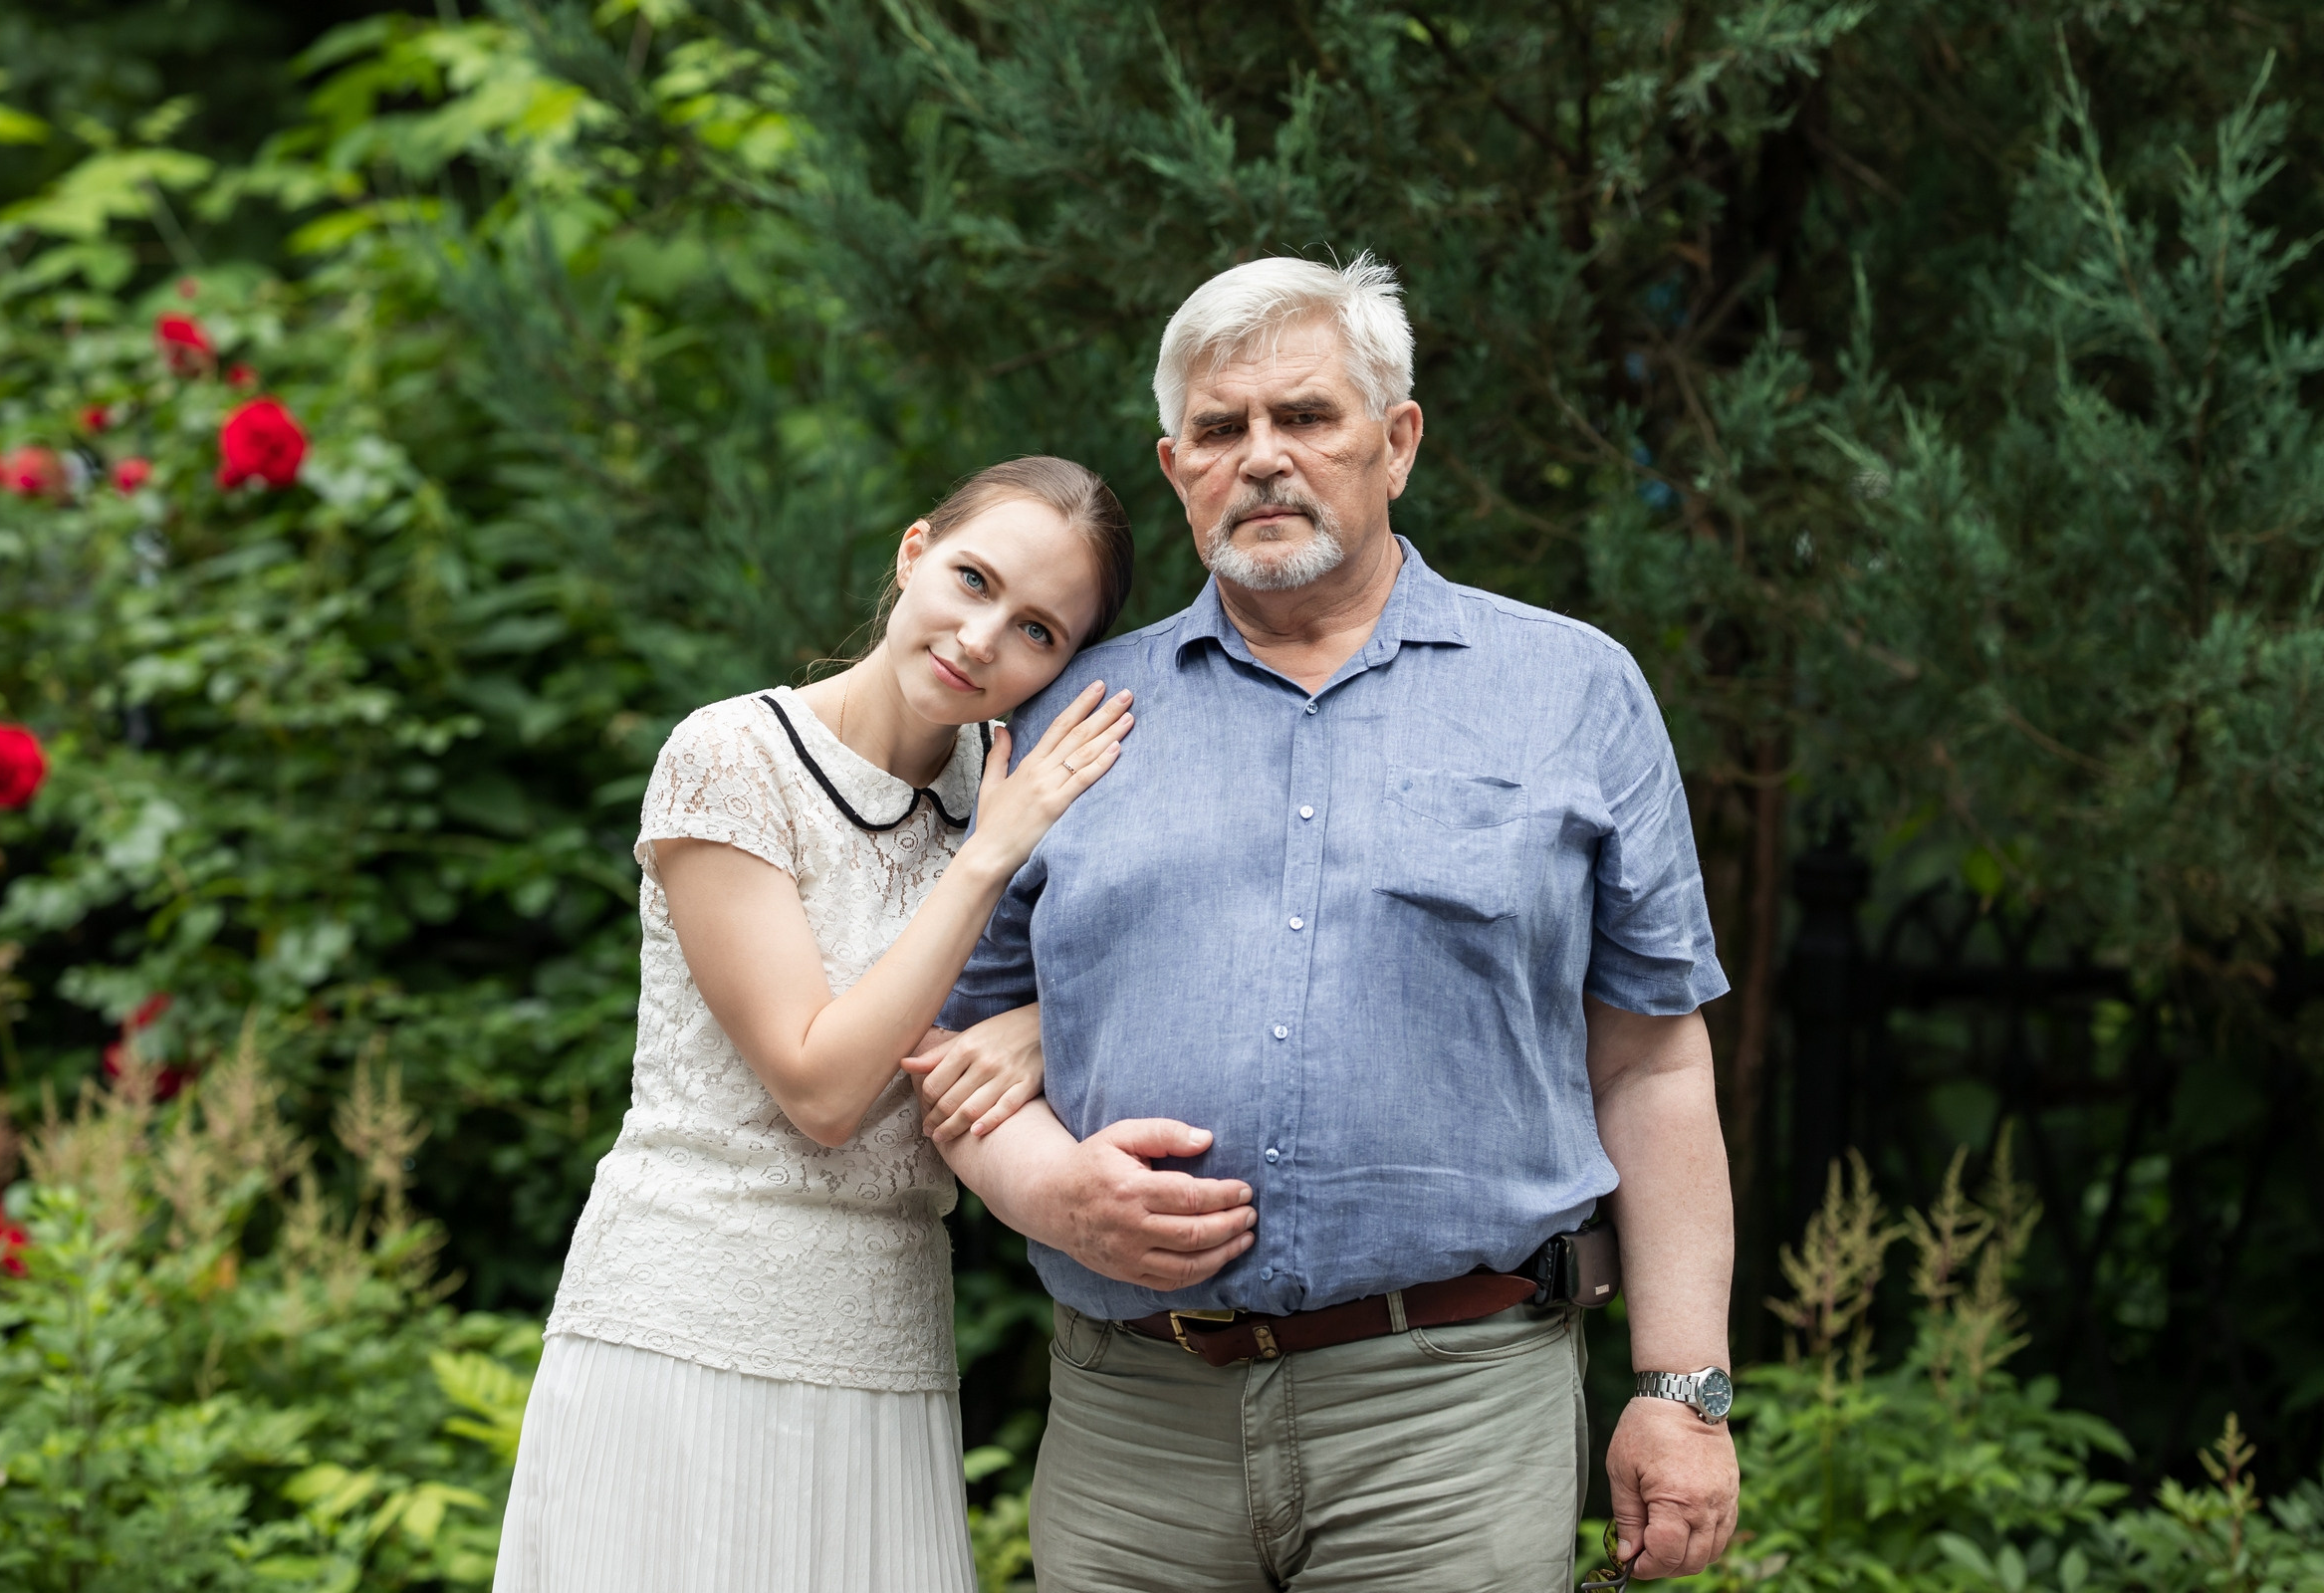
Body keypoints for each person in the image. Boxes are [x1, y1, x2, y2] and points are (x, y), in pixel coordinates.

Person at [915, 256, 1742, 1592]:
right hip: (1134, 1428)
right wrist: (1049, 1194)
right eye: (1221, 429)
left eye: (1305, 417)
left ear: (1396, 441)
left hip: (1449, 1420)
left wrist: (1683, 1389)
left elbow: (1651, 1060)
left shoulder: (1572, 692)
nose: (1262, 458)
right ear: (1176, 466)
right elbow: (955, 1046)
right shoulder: (1066, 711)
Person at [494, 456, 1252, 1593]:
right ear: (913, 553)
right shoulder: (733, 759)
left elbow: (1159, 968)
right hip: (686, 1326)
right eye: (973, 579)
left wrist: (1040, 1023)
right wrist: (992, 854)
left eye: (1038, 631)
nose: (981, 639)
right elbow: (823, 1087)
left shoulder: (1013, 787)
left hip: (887, 1340)